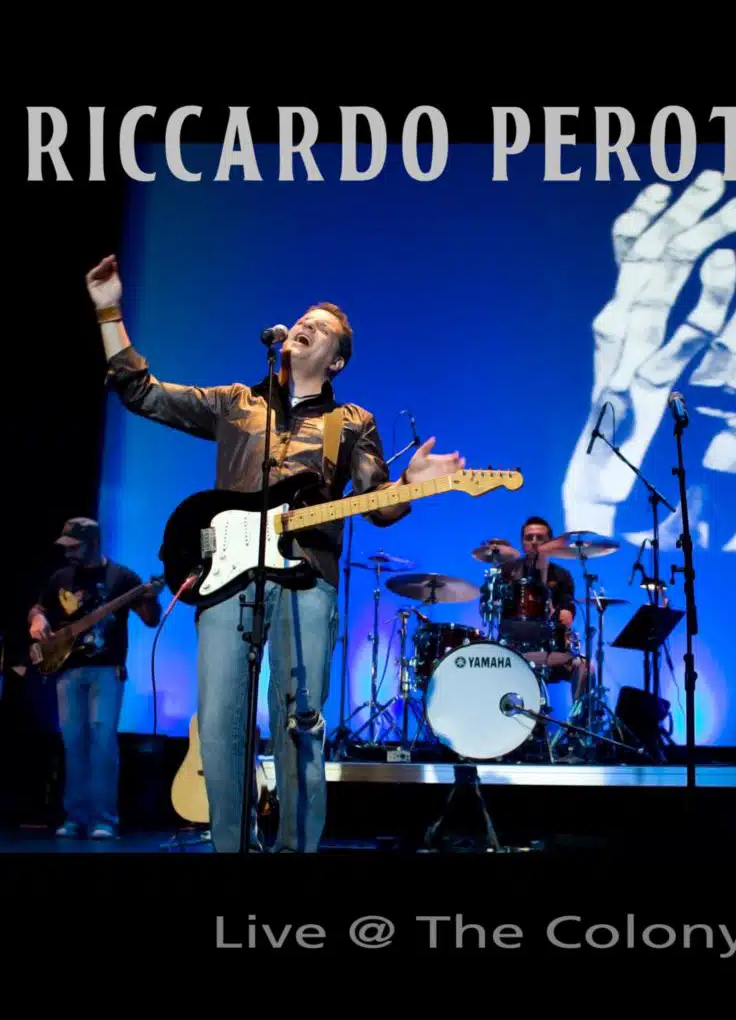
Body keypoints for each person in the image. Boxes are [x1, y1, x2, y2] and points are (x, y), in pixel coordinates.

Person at [86, 254, 464, 853]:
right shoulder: (236, 402)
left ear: (336, 360)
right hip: (227, 579)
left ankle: (295, 849)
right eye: (302, 318)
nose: (304, 324)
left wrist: (412, 486)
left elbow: (376, 506)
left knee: (300, 723)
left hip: (307, 579)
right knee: (220, 724)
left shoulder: (352, 421)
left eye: (321, 326)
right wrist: (109, 311)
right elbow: (141, 393)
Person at [27, 517, 162, 838]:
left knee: (102, 742)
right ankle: (75, 817)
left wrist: (150, 596)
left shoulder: (121, 577)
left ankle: (104, 819)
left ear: (94, 543)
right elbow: (37, 607)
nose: (68, 553)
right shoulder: (61, 577)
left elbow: (150, 619)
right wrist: (37, 620)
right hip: (68, 670)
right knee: (73, 742)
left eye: (75, 547)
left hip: (106, 670)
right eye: (66, 546)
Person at [486, 517, 588, 700]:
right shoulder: (508, 573)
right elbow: (491, 605)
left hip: (550, 648)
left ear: (551, 542)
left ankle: (577, 717)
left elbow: (567, 610)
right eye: (529, 538)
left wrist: (564, 612)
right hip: (513, 648)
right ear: (522, 542)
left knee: (586, 667)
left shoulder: (562, 575)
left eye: (540, 538)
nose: (534, 542)